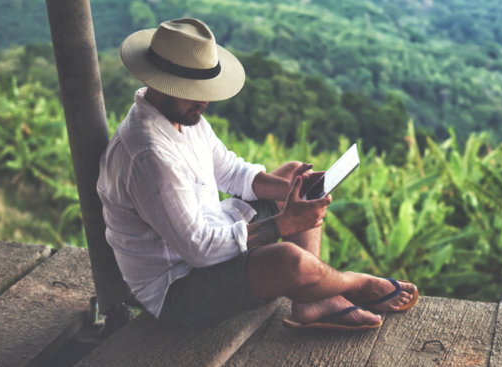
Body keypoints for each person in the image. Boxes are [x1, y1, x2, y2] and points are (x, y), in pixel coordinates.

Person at [97, 18, 418, 330]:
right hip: (178, 288)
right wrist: (284, 224)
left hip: (211, 235)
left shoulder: (182, 117)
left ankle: (311, 301)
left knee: (294, 176)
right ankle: (352, 284)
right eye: (192, 91)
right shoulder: (148, 156)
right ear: (159, 84)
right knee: (290, 261)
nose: (205, 101)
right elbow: (199, 250)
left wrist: (292, 188)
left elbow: (232, 172)